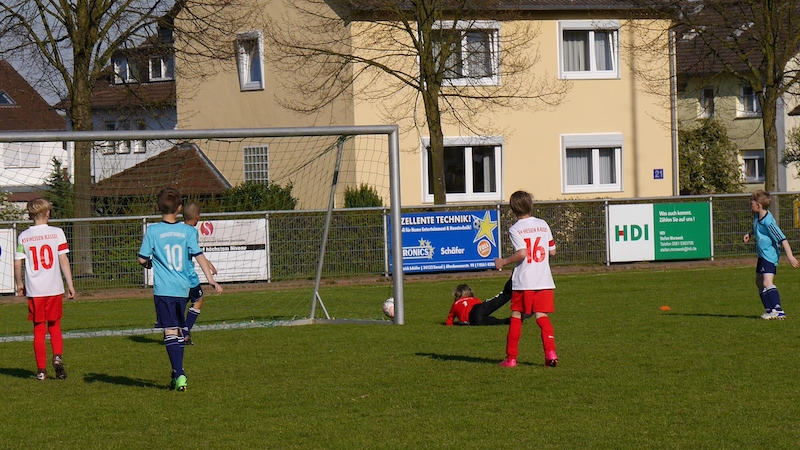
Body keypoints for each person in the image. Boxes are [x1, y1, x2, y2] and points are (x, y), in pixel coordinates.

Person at [138, 188, 221, 391]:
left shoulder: (153, 231)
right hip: (182, 288)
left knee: (170, 331)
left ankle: (180, 374)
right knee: (178, 331)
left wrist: (149, 263)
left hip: (163, 289)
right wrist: (211, 281)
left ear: (158, 207)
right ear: (179, 208)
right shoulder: (187, 232)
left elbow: (142, 259)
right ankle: (177, 374)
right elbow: (199, 256)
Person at [494, 190, 558, 368]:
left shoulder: (515, 228)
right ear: (531, 205)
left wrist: (503, 262)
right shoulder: (543, 224)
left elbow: (522, 253)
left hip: (524, 280)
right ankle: (551, 353)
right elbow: (552, 251)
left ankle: (511, 358)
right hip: (544, 279)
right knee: (542, 316)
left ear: (513, 209)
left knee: (517, 316)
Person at [13, 198, 76, 381]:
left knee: (38, 331)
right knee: (55, 326)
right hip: (54, 288)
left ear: (30, 215)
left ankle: (41, 370)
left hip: (35, 290)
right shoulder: (57, 233)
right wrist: (70, 284)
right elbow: (63, 260)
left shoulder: (24, 236)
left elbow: (18, 263)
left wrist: (19, 284)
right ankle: (57, 357)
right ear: (48, 213)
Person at [742, 190, 798, 320]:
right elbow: (757, 228)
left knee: (767, 282)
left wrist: (790, 256)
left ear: (759, 205)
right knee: (759, 283)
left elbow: (783, 239)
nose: (750, 205)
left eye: (752, 203)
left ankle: (779, 311)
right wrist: (750, 233)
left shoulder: (768, 222)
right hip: (762, 255)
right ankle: (770, 310)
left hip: (770, 256)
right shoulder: (757, 216)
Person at [181, 201, 218, 344]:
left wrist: (208, 263)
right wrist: (208, 266)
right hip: (189, 277)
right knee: (198, 299)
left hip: (175, 276)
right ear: (197, 217)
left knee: (180, 304)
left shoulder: (178, 230)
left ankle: (173, 333)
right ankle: (185, 332)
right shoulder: (192, 232)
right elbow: (195, 252)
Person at [446, 278, 513, 326]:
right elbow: (480, 306)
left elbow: (449, 320)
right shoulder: (473, 299)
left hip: (473, 320)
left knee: (495, 321)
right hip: (477, 309)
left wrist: (454, 323)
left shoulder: (455, 304)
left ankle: (507, 321)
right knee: (496, 301)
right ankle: (510, 288)